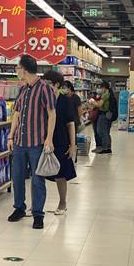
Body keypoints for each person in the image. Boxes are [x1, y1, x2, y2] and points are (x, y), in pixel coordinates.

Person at [7, 54, 56, 230]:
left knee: (37, 179)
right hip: (19, 142)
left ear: (25, 70)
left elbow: (52, 114)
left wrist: (49, 138)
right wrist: (11, 136)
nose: (17, 71)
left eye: (18, 68)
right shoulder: (22, 90)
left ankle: (38, 214)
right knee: (17, 177)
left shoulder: (44, 88)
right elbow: (16, 114)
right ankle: (19, 208)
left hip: (37, 143)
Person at [42, 71, 77, 215]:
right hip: (43, 140)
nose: (45, 86)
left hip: (61, 140)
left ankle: (62, 203)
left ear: (56, 85)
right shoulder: (42, 99)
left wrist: (73, 145)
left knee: (61, 174)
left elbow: (71, 124)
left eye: (48, 83)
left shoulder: (64, 101)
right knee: (39, 173)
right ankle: (37, 205)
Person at [89, 81, 114, 154]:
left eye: (100, 87)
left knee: (101, 131)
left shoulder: (106, 95)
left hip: (104, 114)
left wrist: (93, 101)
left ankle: (106, 148)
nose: (99, 89)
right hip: (106, 114)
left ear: (104, 87)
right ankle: (107, 147)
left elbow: (99, 105)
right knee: (105, 131)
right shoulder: (107, 94)